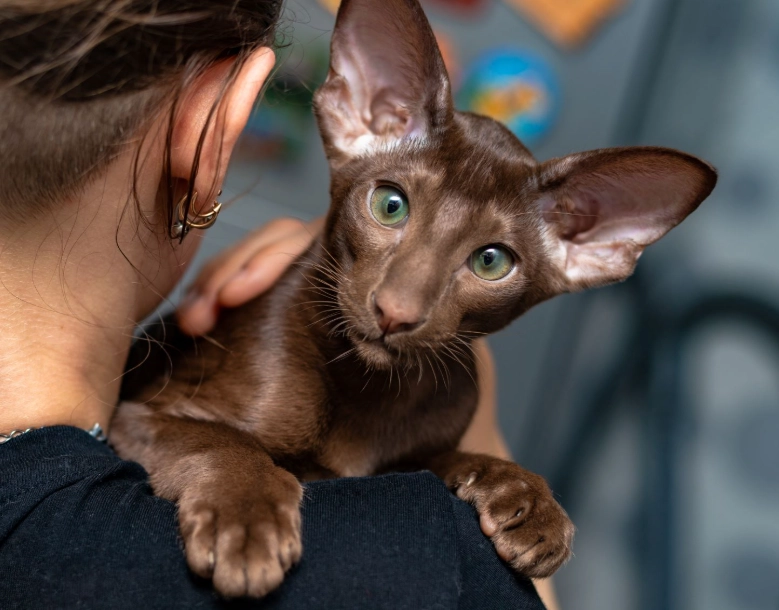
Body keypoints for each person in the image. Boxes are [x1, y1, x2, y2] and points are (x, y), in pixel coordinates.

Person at [0, 1, 557, 608]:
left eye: (487, 261)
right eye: (390, 207)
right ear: (211, 132)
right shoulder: (429, 562)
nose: (399, 303)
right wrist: (489, 441)